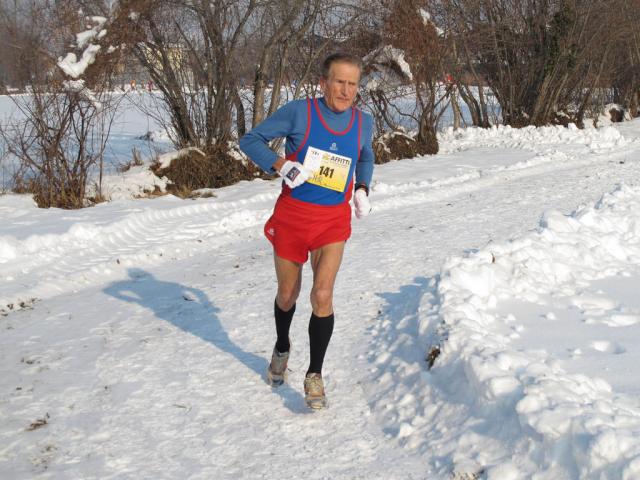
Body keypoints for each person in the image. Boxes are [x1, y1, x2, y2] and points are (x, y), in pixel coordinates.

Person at [239, 52, 374, 409]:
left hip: (332, 220)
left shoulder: (364, 121)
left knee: (323, 295)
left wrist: (363, 187)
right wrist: (280, 164)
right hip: (293, 217)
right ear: (324, 83)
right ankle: (282, 345)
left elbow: (365, 155)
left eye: (352, 84)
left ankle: (314, 374)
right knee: (288, 294)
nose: (346, 91)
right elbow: (249, 140)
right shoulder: (300, 112)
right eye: (339, 82)